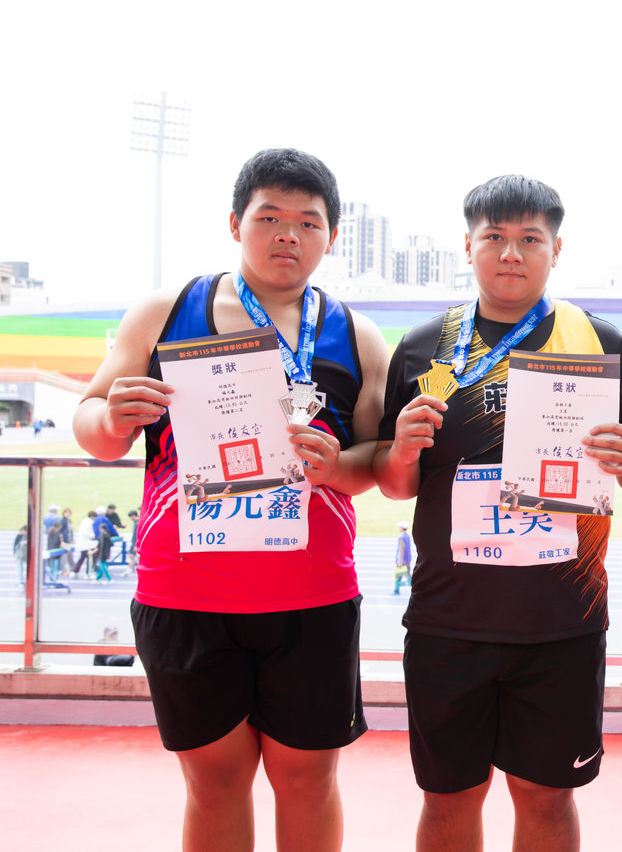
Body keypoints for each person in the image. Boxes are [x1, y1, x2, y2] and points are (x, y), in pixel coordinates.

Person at [72, 148, 388, 852]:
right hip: (185, 591)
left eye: (308, 222)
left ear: (332, 236)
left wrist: (336, 466)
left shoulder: (355, 333)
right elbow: (92, 423)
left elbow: (376, 462)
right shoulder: (166, 312)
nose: (287, 234)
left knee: (308, 780)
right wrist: (113, 416)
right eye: (268, 217)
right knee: (213, 782)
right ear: (235, 223)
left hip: (311, 594)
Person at [374, 174, 622, 852]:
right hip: (449, 622)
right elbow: (393, 484)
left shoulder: (598, 341)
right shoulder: (423, 347)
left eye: (530, 239)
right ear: (467, 245)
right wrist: (402, 449)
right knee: (448, 799)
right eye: (495, 237)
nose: (511, 253)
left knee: (547, 799)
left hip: (561, 622)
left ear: (556, 249)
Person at [92, 505, 118, 583]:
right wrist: (116, 534)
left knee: (101, 563)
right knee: (102, 563)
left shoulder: (96, 520)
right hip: (104, 550)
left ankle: (106, 578)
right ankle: (98, 578)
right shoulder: (104, 520)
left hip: (99, 546)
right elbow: (111, 528)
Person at [74, 509, 99, 577]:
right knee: (90, 557)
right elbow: (86, 532)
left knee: (83, 557)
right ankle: (88, 572)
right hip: (87, 543)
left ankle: (75, 570)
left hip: (82, 542)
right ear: (92, 517)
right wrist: (92, 536)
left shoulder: (84, 521)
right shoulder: (90, 522)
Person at [393, 520, 412, 596]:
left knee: (399, 575)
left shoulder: (401, 538)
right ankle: (396, 589)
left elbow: (401, 550)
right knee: (406, 574)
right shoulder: (407, 537)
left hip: (402, 561)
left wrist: (400, 562)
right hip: (407, 559)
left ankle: (396, 590)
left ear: (402, 528)